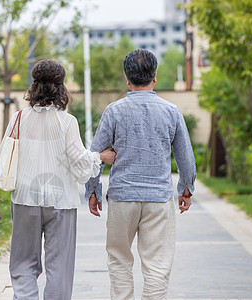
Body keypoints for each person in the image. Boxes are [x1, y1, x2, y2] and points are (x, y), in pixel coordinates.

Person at [0, 59, 116, 300]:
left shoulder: (19, 118)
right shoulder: (67, 122)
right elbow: (79, 163)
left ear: (34, 86)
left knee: (22, 264)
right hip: (61, 201)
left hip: (24, 198)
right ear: (62, 88)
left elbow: (4, 156)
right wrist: (99, 157)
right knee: (59, 267)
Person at [85, 49, 196, 299]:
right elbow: (185, 158)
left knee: (119, 260)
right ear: (155, 76)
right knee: (157, 265)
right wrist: (186, 190)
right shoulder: (172, 111)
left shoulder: (113, 111)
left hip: (123, 197)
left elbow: (95, 154)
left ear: (127, 78)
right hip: (158, 198)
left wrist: (93, 191)